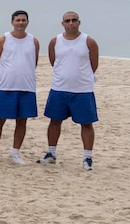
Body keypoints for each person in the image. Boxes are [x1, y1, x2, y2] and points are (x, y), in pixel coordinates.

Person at [40, 11, 99, 170]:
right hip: (59, 88)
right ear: (63, 23)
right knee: (54, 121)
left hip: (83, 90)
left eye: (74, 20)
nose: (71, 23)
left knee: (86, 124)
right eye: (67, 21)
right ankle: (51, 153)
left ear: (79, 22)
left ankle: (87, 158)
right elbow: (54, 61)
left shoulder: (88, 41)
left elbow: (94, 64)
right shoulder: (55, 41)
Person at [0, 10, 39, 165]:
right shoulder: (4, 39)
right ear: (12, 22)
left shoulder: (33, 41)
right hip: (6, 86)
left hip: (27, 87)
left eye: (23, 20)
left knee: (22, 121)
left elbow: (33, 62)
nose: (20, 23)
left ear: (27, 22)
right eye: (17, 20)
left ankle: (15, 153)